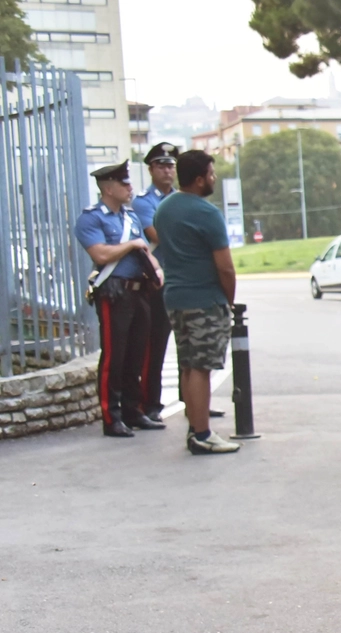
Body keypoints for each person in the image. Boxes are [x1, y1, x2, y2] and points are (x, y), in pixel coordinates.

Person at [154, 149, 240, 455]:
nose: (214, 179)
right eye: (212, 174)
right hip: (204, 298)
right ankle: (202, 434)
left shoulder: (165, 209)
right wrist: (228, 300)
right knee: (203, 367)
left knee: (188, 365)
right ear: (200, 178)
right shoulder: (206, 213)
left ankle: (195, 427)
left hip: (175, 297)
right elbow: (225, 267)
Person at [74, 160, 163, 437]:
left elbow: (145, 251)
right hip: (115, 292)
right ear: (108, 188)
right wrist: (132, 244)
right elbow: (100, 254)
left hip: (140, 291)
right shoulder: (92, 218)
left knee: (137, 354)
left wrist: (157, 271)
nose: (129, 187)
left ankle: (132, 411)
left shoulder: (130, 217)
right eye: (124, 183)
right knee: (115, 356)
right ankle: (111, 417)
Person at [131, 141, 179, 422]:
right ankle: (151, 403)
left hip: (179, 278)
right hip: (158, 281)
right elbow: (158, 234)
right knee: (155, 344)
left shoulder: (179, 198)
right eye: (161, 165)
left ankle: (192, 398)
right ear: (150, 169)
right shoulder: (144, 201)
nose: (167, 170)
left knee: (186, 343)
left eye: (170, 165)